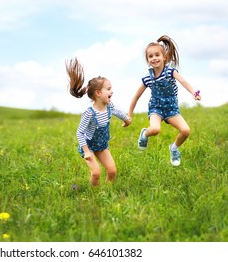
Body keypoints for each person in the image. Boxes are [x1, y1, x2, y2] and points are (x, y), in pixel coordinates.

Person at [127, 35, 201, 166]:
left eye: (157, 55)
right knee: (155, 130)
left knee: (186, 131)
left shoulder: (170, 71)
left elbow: (183, 81)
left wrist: (193, 93)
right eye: (150, 56)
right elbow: (136, 96)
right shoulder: (147, 78)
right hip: (156, 108)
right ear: (147, 60)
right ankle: (145, 134)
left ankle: (174, 148)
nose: (154, 58)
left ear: (164, 57)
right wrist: (129, 115)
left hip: (171, 109)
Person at [66, 58, 132, 186]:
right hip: (89, 146)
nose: (111, 91)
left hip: (101, 145)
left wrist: (126, 119)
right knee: (96, 173)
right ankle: (94, 196)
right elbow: (80, 132)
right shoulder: (89, 112)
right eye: (108, 89)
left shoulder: (109, 106)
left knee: (112, 171)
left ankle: (106, 193)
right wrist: (86, 151)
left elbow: (117, 111)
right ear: (98, 93)